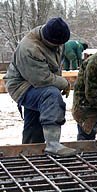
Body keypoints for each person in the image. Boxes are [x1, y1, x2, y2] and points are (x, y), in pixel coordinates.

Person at [3, 17, 77, 157]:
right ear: (49, 40)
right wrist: (63, 83)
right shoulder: (29, 48)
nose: (60, 47)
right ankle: (53, 144)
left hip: (34, 84)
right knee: (51, 95)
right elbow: (42, 80)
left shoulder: (55, 39)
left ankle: (29, 154)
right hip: (21, 86)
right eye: (57, 44)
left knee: (34, 124)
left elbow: (53, 67)